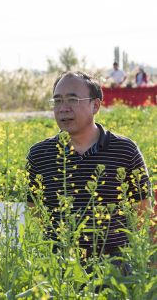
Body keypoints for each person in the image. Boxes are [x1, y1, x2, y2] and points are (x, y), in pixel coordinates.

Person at [27, 71, 151, 260]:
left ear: (95, 105)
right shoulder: (39, 155)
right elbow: (34, 211)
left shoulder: (125, 150)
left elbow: (142, 208)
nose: (63, 108)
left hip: (114, 272)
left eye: (72, 100)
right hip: (59, 272)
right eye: (57, 101)